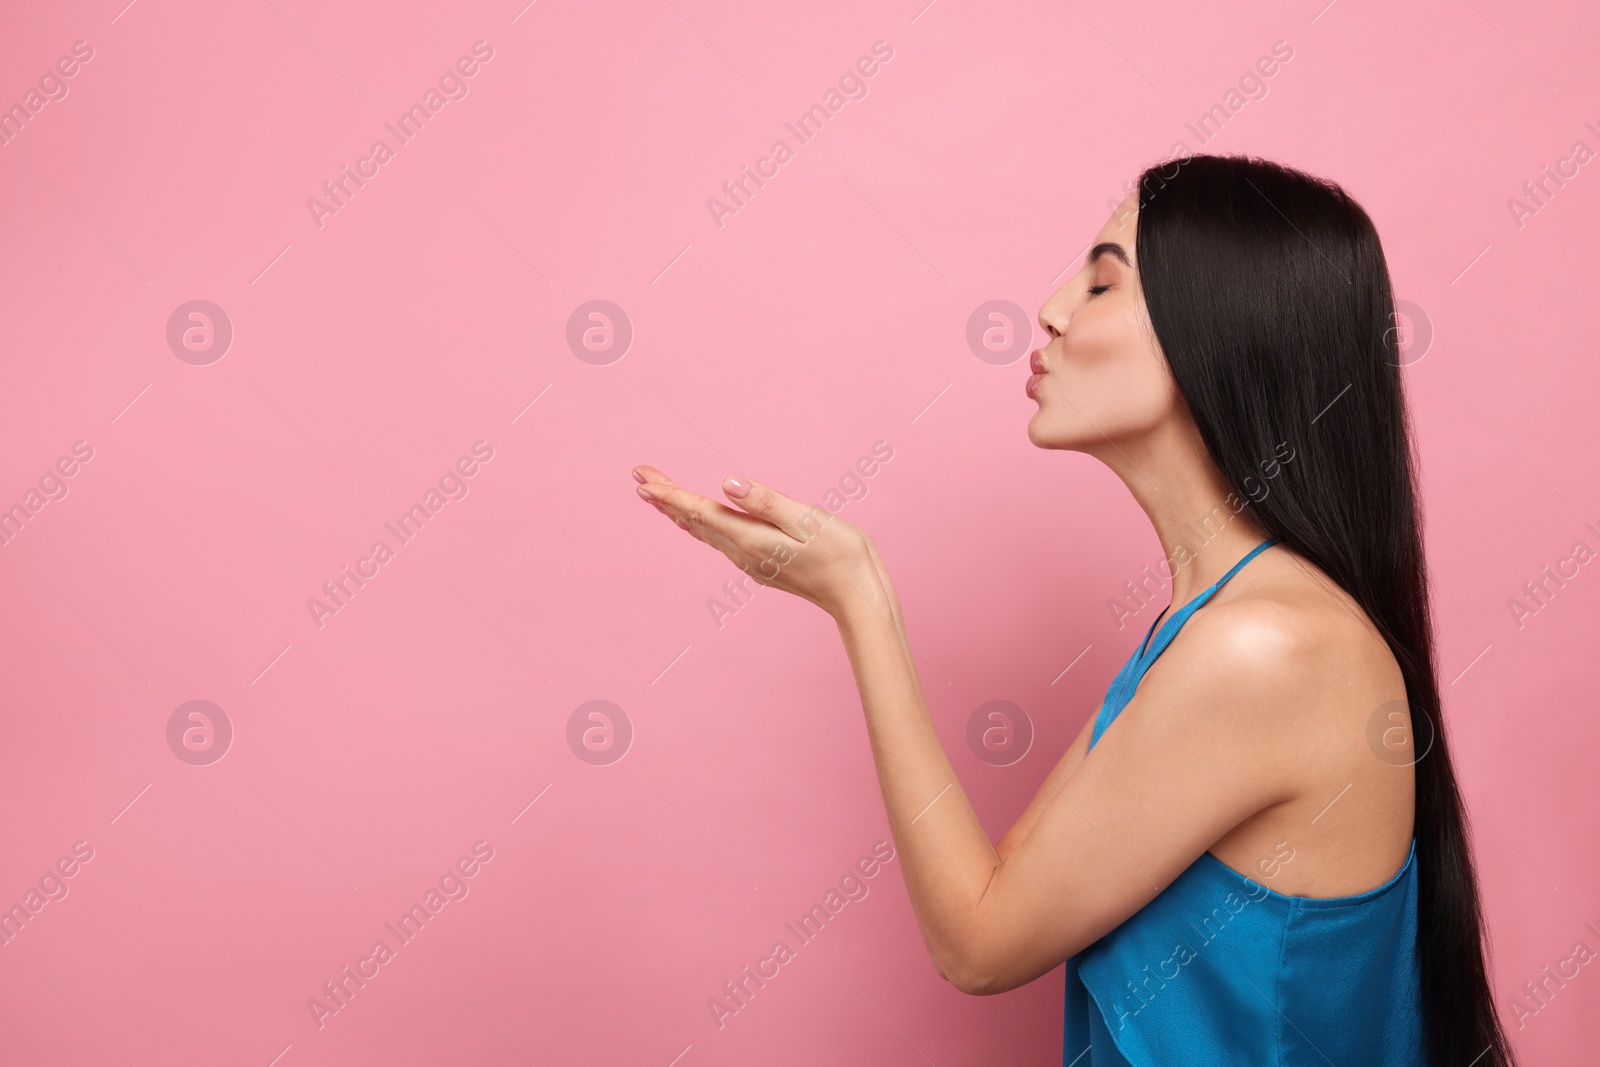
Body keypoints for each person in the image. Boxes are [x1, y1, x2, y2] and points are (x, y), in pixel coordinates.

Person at [632, 153, 1515, 1067]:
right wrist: (856, 584)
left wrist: (861, 600)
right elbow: (1001, 887)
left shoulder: (1264, 648)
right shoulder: (1215, 628)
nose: (1052, 308)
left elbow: (975, 944)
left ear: (1215, 332)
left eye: (1101, 283)